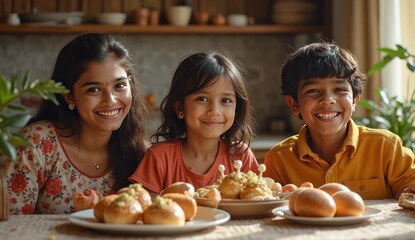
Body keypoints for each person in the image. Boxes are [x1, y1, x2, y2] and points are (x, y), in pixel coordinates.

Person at [5, 33, 150, 214]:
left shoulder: (140, 152)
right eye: (94, 89)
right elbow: (9, 225)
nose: (110, 100)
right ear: (69, 97)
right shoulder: (36, 145)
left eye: (119, 85)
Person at [263, 41, 415, 200]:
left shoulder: (385, 147)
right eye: (313, 91)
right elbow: (267, 206)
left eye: (340, 89)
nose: (327, 100)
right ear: (294, 104)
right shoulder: (279, 159)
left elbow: (408, 191)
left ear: (355, 99)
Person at [129, 52, 259, 194]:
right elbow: (144, 206)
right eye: (202, 99)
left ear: (236, 109)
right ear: (180, 108)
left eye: (225, 101)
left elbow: (256, 201)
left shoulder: (241, 156)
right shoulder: (160, 158)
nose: (214, 111)